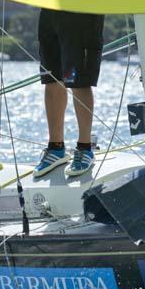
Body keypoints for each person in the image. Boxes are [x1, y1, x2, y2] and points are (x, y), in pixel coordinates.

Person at [33, 9, 104, 178]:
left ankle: (85, 148)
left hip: (81, 7)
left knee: (78, 82)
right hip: (50, 7)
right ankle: (56, 148)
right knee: (51, 79)